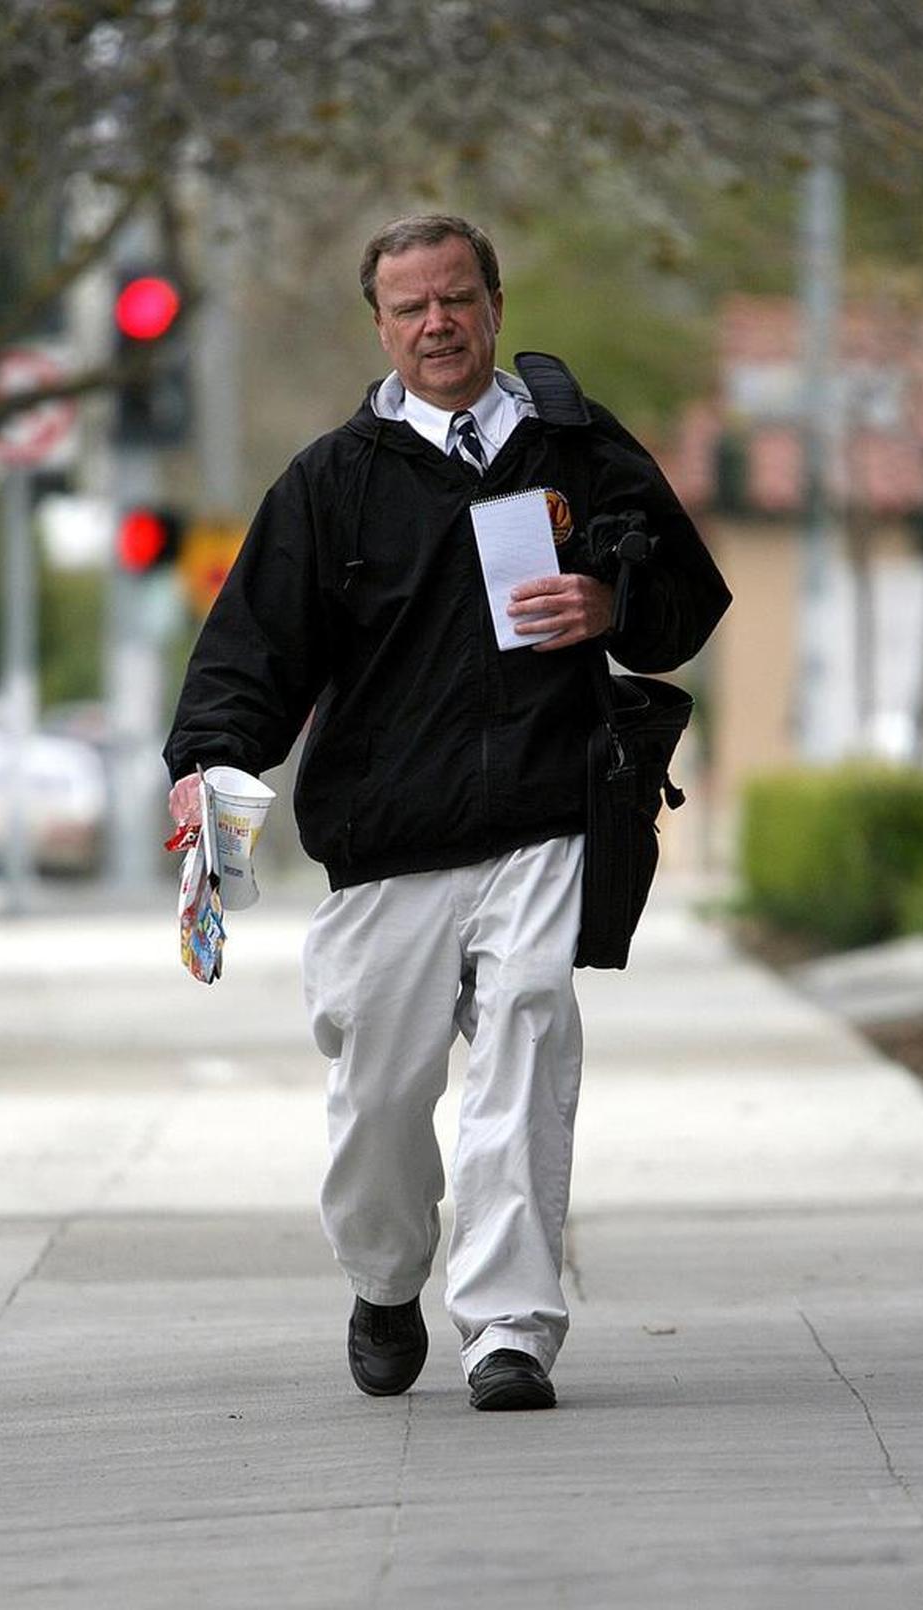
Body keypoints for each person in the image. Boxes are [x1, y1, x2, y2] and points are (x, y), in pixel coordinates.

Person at [164, 214, 730, 1411]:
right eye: (412, 306)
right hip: (387, 838)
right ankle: (383, 1278)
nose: (439, 324)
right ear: (379, 323)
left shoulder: (576, 448)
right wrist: (207, 763)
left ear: (495, 304)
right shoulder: (331, 481)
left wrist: (612, 600)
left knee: (529, 1030)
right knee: (378, 1094)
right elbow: (253, 651)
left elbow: (686, 598)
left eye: (458, 299)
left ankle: (509, 1328)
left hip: (545, 811)